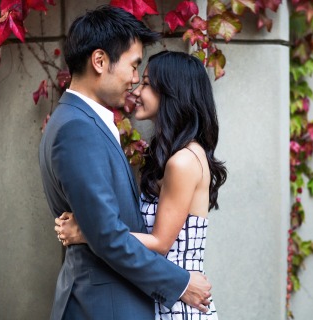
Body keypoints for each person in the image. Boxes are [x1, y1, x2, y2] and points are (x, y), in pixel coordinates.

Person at [38, 6, 212, 320]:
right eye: (134, 67)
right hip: (103, 306)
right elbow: (108, 236)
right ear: (100, 61)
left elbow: (106, 232)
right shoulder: (78, 129)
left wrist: (89, 231)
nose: (134, 80)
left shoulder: (83, 122)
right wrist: (180, 283)